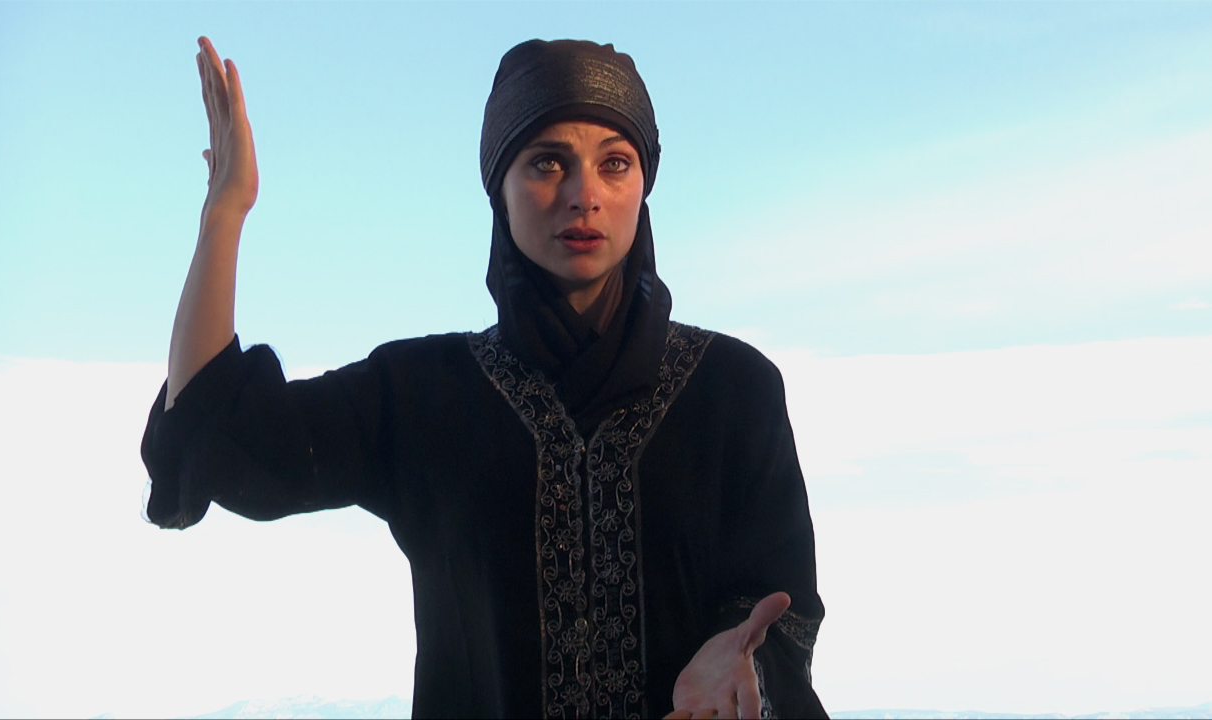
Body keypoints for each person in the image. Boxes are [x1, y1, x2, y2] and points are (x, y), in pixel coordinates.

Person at [142, 36, 826, 720]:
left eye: (614, 163)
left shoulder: (733, 390)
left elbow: (783, 603)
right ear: (499, 186)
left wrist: (743, 661)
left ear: (643, 184)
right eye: (547, 162)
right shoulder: (422, 395)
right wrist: (223, 215)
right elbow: (220, 433)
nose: (584, 195)